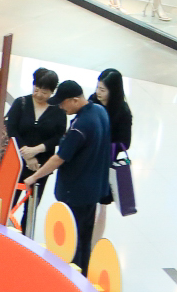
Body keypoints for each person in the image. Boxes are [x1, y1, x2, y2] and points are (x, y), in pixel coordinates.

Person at [24, 79, 113, 272]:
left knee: (72, 240)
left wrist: (34, 177)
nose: (60, 107)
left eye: (62, 103)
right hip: (94, 189)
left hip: (76, 192)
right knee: (84, 237)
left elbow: (59, 158)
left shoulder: (80, 126)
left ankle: (72, 276)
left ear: (74, 100)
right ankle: (83, 273)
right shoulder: (100, 111)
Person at [3, 67, 66, 233]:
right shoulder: (21, 103)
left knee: (31, 206)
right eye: (36, 89)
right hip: (16, 161)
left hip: (41, 165)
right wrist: (27, 155)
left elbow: (59, 136)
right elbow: (12, 130)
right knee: (8, 203)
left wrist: (37, 150)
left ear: (52, 91)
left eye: (44, 92)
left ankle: (25, 237)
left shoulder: (58, 110)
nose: (38, 95)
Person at [95, 68, 134, 224]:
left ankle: (94, 239)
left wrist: (104, 143)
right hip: (89, 159)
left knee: (101, 206)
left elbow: (125, 142)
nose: (98, 92)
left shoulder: (122, 112)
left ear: (113, 90)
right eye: (98, 87)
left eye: (102, 90)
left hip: (106, 164)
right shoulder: (93, 101)